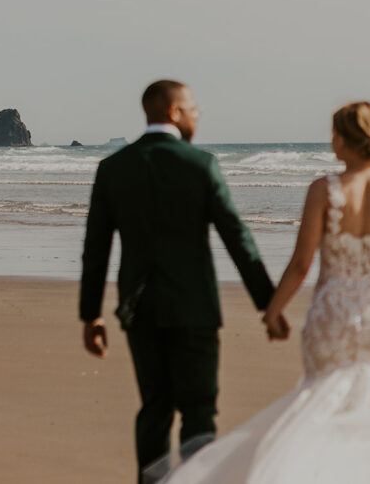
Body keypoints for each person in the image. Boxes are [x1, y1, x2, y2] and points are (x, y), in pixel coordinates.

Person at [156, 101, 370, 484]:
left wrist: (273, 311)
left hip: (333, 317)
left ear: (347, 139)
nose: (331, 140)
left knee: (318, 408)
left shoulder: (324, 190)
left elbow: (301, 264)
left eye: (335, 133)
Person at [78, 80, 279, 484]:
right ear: (173, 112)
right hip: (194, 310)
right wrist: (268, 304)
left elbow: (96, 247)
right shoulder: (200, 165)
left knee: (154, 407)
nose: (197, 113)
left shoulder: (114, 168)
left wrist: (90, 315)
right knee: (199, 411)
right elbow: (237, 237)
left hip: (140, 309)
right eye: (192, 107)